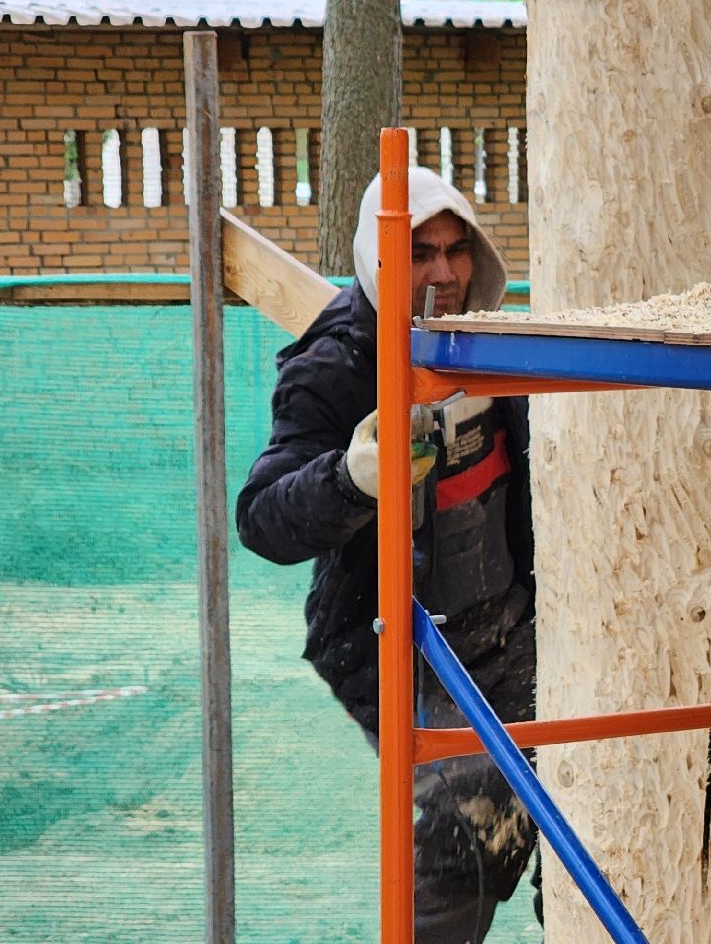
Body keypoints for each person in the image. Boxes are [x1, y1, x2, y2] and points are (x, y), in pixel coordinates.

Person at [236, 167, 540, 942]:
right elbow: (261, 517)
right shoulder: (335, 368)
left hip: (511, 629)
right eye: (419, 254)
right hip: (398, 646)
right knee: (472, 828)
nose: (442, 272)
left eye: (455, 249)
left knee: (582, 798)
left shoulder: (488, 339)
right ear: (379, 262)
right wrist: (348, 479)